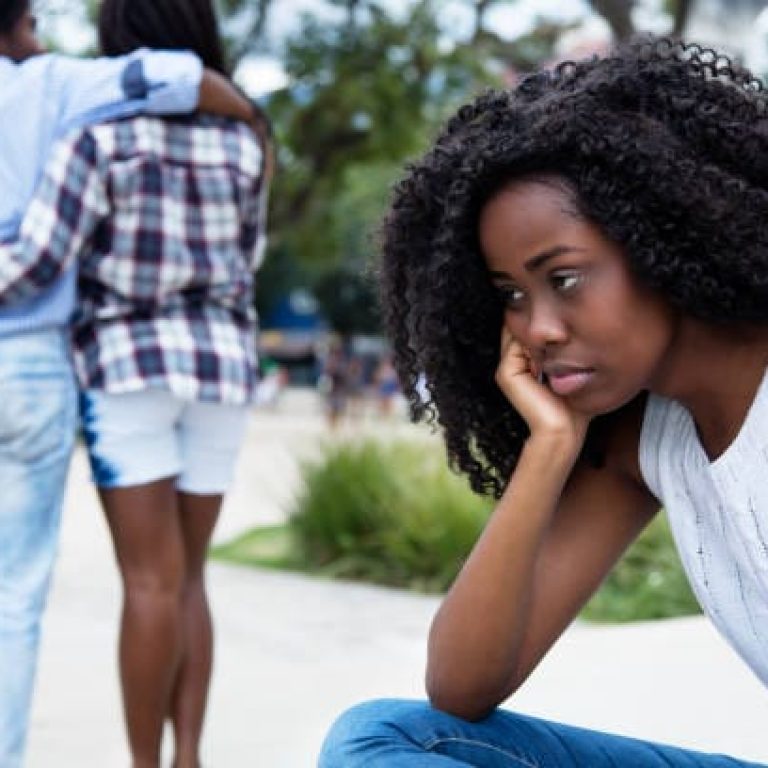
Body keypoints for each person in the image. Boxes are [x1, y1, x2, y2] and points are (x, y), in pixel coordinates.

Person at [319, 36, 768, 766]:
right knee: (389, 737)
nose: (539, 329)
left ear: (662, 240)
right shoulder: (640, 442)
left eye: (562, 278)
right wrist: (551, 447)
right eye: (510, 296)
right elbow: (461, 685)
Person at [0, 0, 271, 764]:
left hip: (127, 370)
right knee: (190, 582)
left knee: (149, 582)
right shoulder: (246, 143)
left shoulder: (99, 136)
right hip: (222, 367)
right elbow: (249, 261)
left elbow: (42, 259)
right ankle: (189, 756)